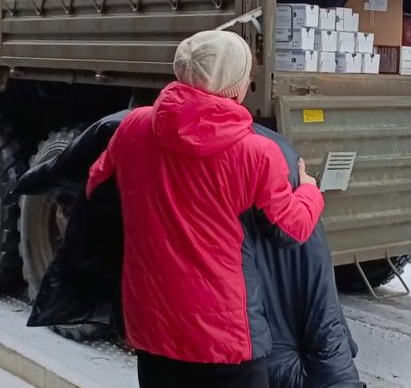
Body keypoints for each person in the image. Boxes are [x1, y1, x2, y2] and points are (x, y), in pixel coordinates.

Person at [87, 30, 325, 388]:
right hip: (224, 336)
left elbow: (98, 189)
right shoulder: (256, 152)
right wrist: (310, 191)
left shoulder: (133, 127)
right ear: (235, 87)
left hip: (153, 325)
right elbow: (290, 231)